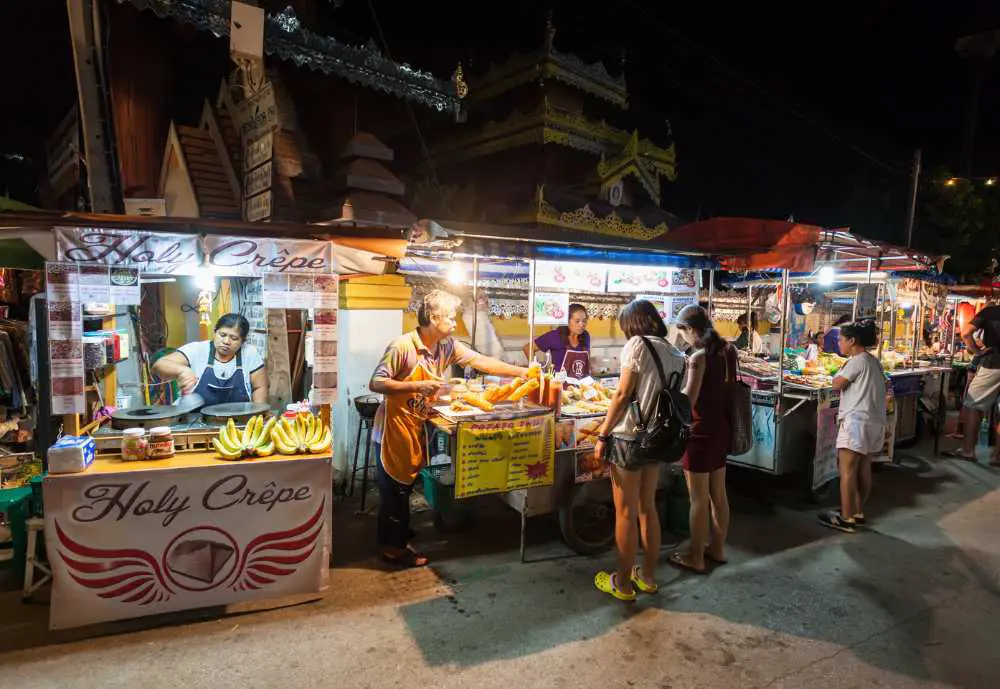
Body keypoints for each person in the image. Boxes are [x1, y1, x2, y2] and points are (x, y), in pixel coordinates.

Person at [370, 290, 529, 567]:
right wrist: (417, 386)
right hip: (391, 431)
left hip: (413, 423)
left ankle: (397, 534)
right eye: (451, 318)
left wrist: (522, 372)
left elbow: (480, 361)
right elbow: (377, 383)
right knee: (393, 491)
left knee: (403, 488)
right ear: (433, 318)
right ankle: (394, 551)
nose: (455, 323)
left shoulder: (445, 346)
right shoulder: (403, 347)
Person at [592, 300, 685, 601]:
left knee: (626, 512)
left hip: (629, 439)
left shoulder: (637, 344)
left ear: (632, 324)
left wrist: (602, 433)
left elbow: (621, 394)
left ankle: (622, 583)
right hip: (657, 440)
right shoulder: (675, 352)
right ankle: (646, 577)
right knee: (648, 508)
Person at [670, 304, 736, 573]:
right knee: (718, 495)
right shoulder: (727, 350)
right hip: (721, 428)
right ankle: (717, 549)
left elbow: (690, 399)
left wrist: (671, 396)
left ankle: (695, 556)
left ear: (691, 329)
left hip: (700, 433)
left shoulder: (699, 356)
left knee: (697, 498)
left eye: (682, 331)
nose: (682, 337)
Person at [819, 320, 887, 533]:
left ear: (852, 341)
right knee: (862, 468)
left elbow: (837, 384)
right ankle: (857, 511)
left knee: (846, 470)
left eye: (841, 339)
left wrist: (835, 376)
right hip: (873, 421)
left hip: (856, 421)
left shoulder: (857, 360)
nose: (839, 342)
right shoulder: (873, 361)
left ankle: (846, 518)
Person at [152, 313, 267, 405]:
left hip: (238, 420)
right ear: (215, 332)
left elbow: (260, 387)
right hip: (196, 419)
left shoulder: (249, 353)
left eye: (234, 338)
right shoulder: (198, 349)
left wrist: (258, 415)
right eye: (222, 335)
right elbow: (158, 366)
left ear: (243, 340)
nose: (226, 341)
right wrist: (182, 370)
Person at [948, 305, 1000, 465]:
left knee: (972, 406)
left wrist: (977, 351)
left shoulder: (991, 311)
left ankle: (968, 451)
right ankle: (997, 457)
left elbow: (966, 333)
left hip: (994, 363)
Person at [524, 303, 591, 378]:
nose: (582, 325)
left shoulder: (586, 336)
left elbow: (587, 361)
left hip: (581, 384)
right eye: (577, 321)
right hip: (559, 385)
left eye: (584, 321)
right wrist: (537, 371)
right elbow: (528, 348)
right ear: (567, 321)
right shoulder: (555, 336)